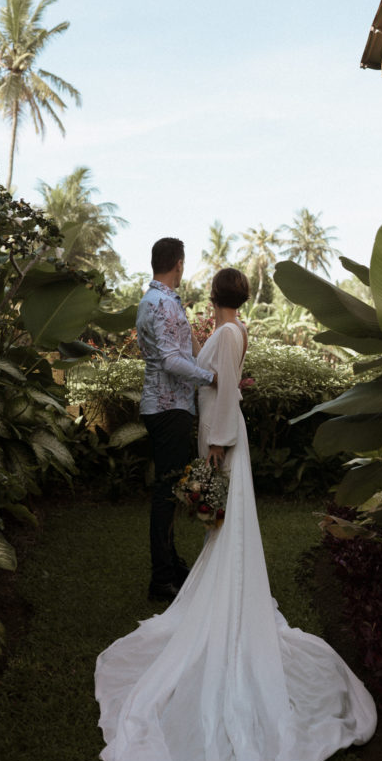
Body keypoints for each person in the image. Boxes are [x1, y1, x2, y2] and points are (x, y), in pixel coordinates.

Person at [95, 267, 377, 761]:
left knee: (219, 522)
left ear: (213, 297)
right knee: (222, 528)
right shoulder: (234, 331)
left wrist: (218, 445)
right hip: (225, 436)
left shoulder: (226, 334)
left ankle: (222, 600)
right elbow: (229, 381)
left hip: (221, 440)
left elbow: (222, 394)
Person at [136, 237, 216, 601]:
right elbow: (170, 361)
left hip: (164, 405)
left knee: (168, 493)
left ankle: (172, 564)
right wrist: (212, 378)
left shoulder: (152, 300)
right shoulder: (164, 304)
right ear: (179, 264)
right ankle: (161, 579)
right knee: (166, 495)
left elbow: (177, 351)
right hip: (169, 409)